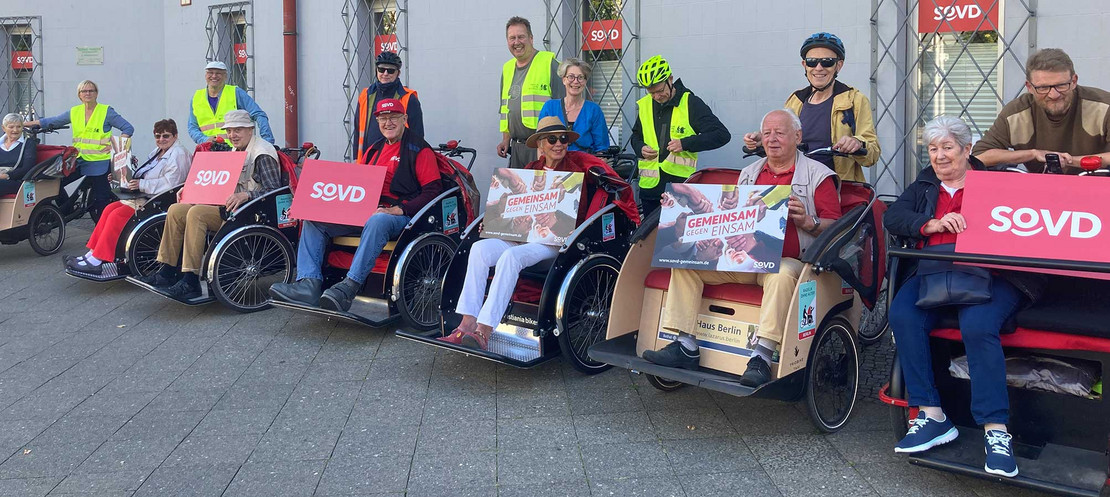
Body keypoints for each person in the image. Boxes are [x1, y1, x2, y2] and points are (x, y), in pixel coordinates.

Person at [885, 116, 1044, 479]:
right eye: (933, 148)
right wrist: (930, 224)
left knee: (977, 325)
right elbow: (895, 215)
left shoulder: (997, 182)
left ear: (967, 149)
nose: (939, 156)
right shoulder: (926, 183)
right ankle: (931, 414)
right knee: (903, 314)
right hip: (936, 271)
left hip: (990, 273)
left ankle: (996, 431)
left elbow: (1027, 224)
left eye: (948, 148)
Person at [641, 109, 840, 388]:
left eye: (780, 133)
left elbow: (836, 225)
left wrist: (808, 221)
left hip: (792, 260)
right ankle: (685, 344)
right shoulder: (748, 173)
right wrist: (674, 208)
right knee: (686, 264)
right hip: (744, 261)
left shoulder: (818, 175)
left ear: (797, 136)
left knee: (781, 274)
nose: (772, 139)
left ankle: (761, 355)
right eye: (767, 133)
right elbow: (724, 219)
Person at [442, 116, 634, 349]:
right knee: (479, 248)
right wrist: (494, 225)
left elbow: (593, 200)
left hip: (556, 241)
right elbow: (514, 208)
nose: (558, 144)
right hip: (523, 236)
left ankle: (485, 329)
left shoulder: (576, 169)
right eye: (551, 139)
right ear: (541, 145)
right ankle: (467, 323)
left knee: (511, 257)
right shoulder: (530, 170)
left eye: (563, 138)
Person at [269, 98, 443, 312]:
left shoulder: (419, 150)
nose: (388, 123)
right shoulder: (373, 150)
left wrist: (400, 209)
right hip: (368, 210)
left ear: (404, 119)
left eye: (393, 117)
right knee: (314, 219)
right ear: (377, 121)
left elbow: (433, 191)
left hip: (402, 216)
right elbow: (357, 182)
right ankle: (309, 284)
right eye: (383, 118)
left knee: (379, 218)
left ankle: (349, 287)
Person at [140, 110, 282, 299]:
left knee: (197, 213)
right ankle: (168, 270)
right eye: (229, 131)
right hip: (230, 208)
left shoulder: (262, 153)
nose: (232, 135)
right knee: (176, 210)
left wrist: (246, 195)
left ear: (250, 129)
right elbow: (219, 182)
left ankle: (191, 280)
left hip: (251, 213)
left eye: (238, 130)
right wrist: (192, 189)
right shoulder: (236, 150)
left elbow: (275, 190)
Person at [742, 32, 881, 181]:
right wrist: (762, 141)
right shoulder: (795, 100)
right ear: (804, 65)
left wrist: (858, 143)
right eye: (812, 62)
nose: (819, 68)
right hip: (797, 184)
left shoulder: (855, 100)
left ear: (838, 66)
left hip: (838, 187)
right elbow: (785, 145)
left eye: (827, 62)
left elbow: (872, 154)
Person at [64, 119, 191, 275]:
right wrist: (122, 178)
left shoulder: (179, 154)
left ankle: (97, 260)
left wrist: (141, 184)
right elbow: (147, 174)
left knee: (117, 215)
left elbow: (171, 183)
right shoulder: (159, 151)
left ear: (175, 136)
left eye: (166, 136)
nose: (161, 140)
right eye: (158, 136)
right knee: (109, 209)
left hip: (159, 201)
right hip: (146, 197)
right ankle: (92, 254)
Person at [973, 48, 1110, 172]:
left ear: (1074, 81)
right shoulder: (1015, 113)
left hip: (1098, 188)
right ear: (1029, 87)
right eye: (1043, 88)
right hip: (1038, 192)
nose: (1054, 95)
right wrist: (1033, 154)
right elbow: (979, 157)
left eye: (1061, 85)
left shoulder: (1104, 106)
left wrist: (1070, 161)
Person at [632, 55, 731, 214]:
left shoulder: (690, 103)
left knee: (674, 238)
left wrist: (685, 143)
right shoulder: (645, 105)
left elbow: (721, 135)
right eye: (651, 93)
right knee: (649, 238)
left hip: (679, 191)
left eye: (660, 91)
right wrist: (640, 147)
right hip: (649, 190)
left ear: (670, 79)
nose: (657, 97)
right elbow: (636, 136)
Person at [25, 80, 134, 222]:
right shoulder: (75, 112)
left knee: (101, 199)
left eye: (91, 91)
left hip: (100, 162)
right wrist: (25, 124)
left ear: (96, 93)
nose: (88, 93)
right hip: (79, 160)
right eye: (84, 91)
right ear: (79, 95)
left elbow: (128, 128)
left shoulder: (106, 111)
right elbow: (54, 120)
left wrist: (115, 146)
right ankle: (66, 210)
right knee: (55, 183)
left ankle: (100, 235)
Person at [496, 16, 564, 169]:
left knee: (541, 192)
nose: (516, 42)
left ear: (531, 38)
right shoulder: (507, 69)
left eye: (521, 37)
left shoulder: (549, 63)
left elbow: (564, 109)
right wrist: (505, 139)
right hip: (517, 148)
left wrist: (553, 145)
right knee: (517, 191)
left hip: (543, 148)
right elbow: (505, 110)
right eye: (512, 38)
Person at [352, 51, 424, 161]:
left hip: (397, 161)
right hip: (368, 160)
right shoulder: (365, 96)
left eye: (390, 70)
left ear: (398, 73)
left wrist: (413, 163)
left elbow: (418, 135)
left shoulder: (408, 98)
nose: (385, 74)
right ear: (376, 70)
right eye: (381, 69)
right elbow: (358, 130)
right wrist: (357, 158)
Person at [187, 61, 274, 145]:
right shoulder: (196, 97)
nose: (214, 76)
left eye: (218, 73)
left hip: (234, 150)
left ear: (225, 76)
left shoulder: (235, 92)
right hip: (208, 150)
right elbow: (192, 127)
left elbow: (259, 114)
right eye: (210, 72)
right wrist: (204, 139)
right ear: (205, 75)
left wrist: (267, 141)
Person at [537, 58, 610, 153]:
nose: (575, 82)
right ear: (563, 80)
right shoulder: (549, 107)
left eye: (580, 77)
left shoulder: (594, 110)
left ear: (585, 81)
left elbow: (602, 149)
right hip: (554, 166)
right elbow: (541, 145)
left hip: (584, 166)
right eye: (571, 77)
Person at [0, 113, 37, 196]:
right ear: (4, 128)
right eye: (11, 127)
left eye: (19, 126)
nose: (15, 130)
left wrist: (6, 176)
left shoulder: (28, 143)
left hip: (17, 181)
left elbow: (28, 168)